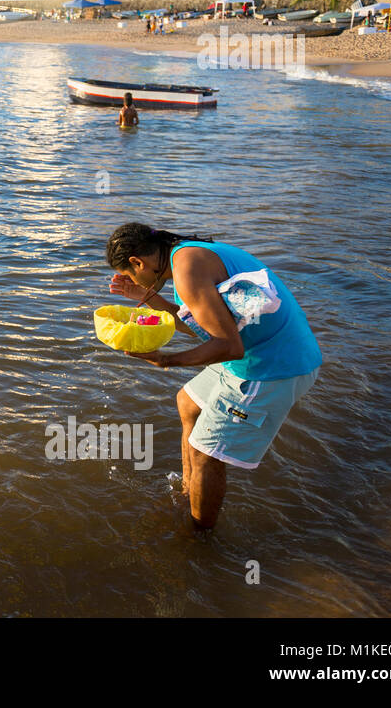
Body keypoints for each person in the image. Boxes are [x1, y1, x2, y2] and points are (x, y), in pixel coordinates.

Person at [105, 223, 322, 530]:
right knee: (188, 403)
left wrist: (165, 360)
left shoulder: (186, 271)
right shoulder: (188, 255)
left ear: (138, 262)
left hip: (272, 367)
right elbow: (203, 325)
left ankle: (199, 536)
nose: (132, 280)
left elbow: (227, 346)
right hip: (269, 350)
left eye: (130, 274)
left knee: (205, 452)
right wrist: (147, 296)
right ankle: (188, 493)